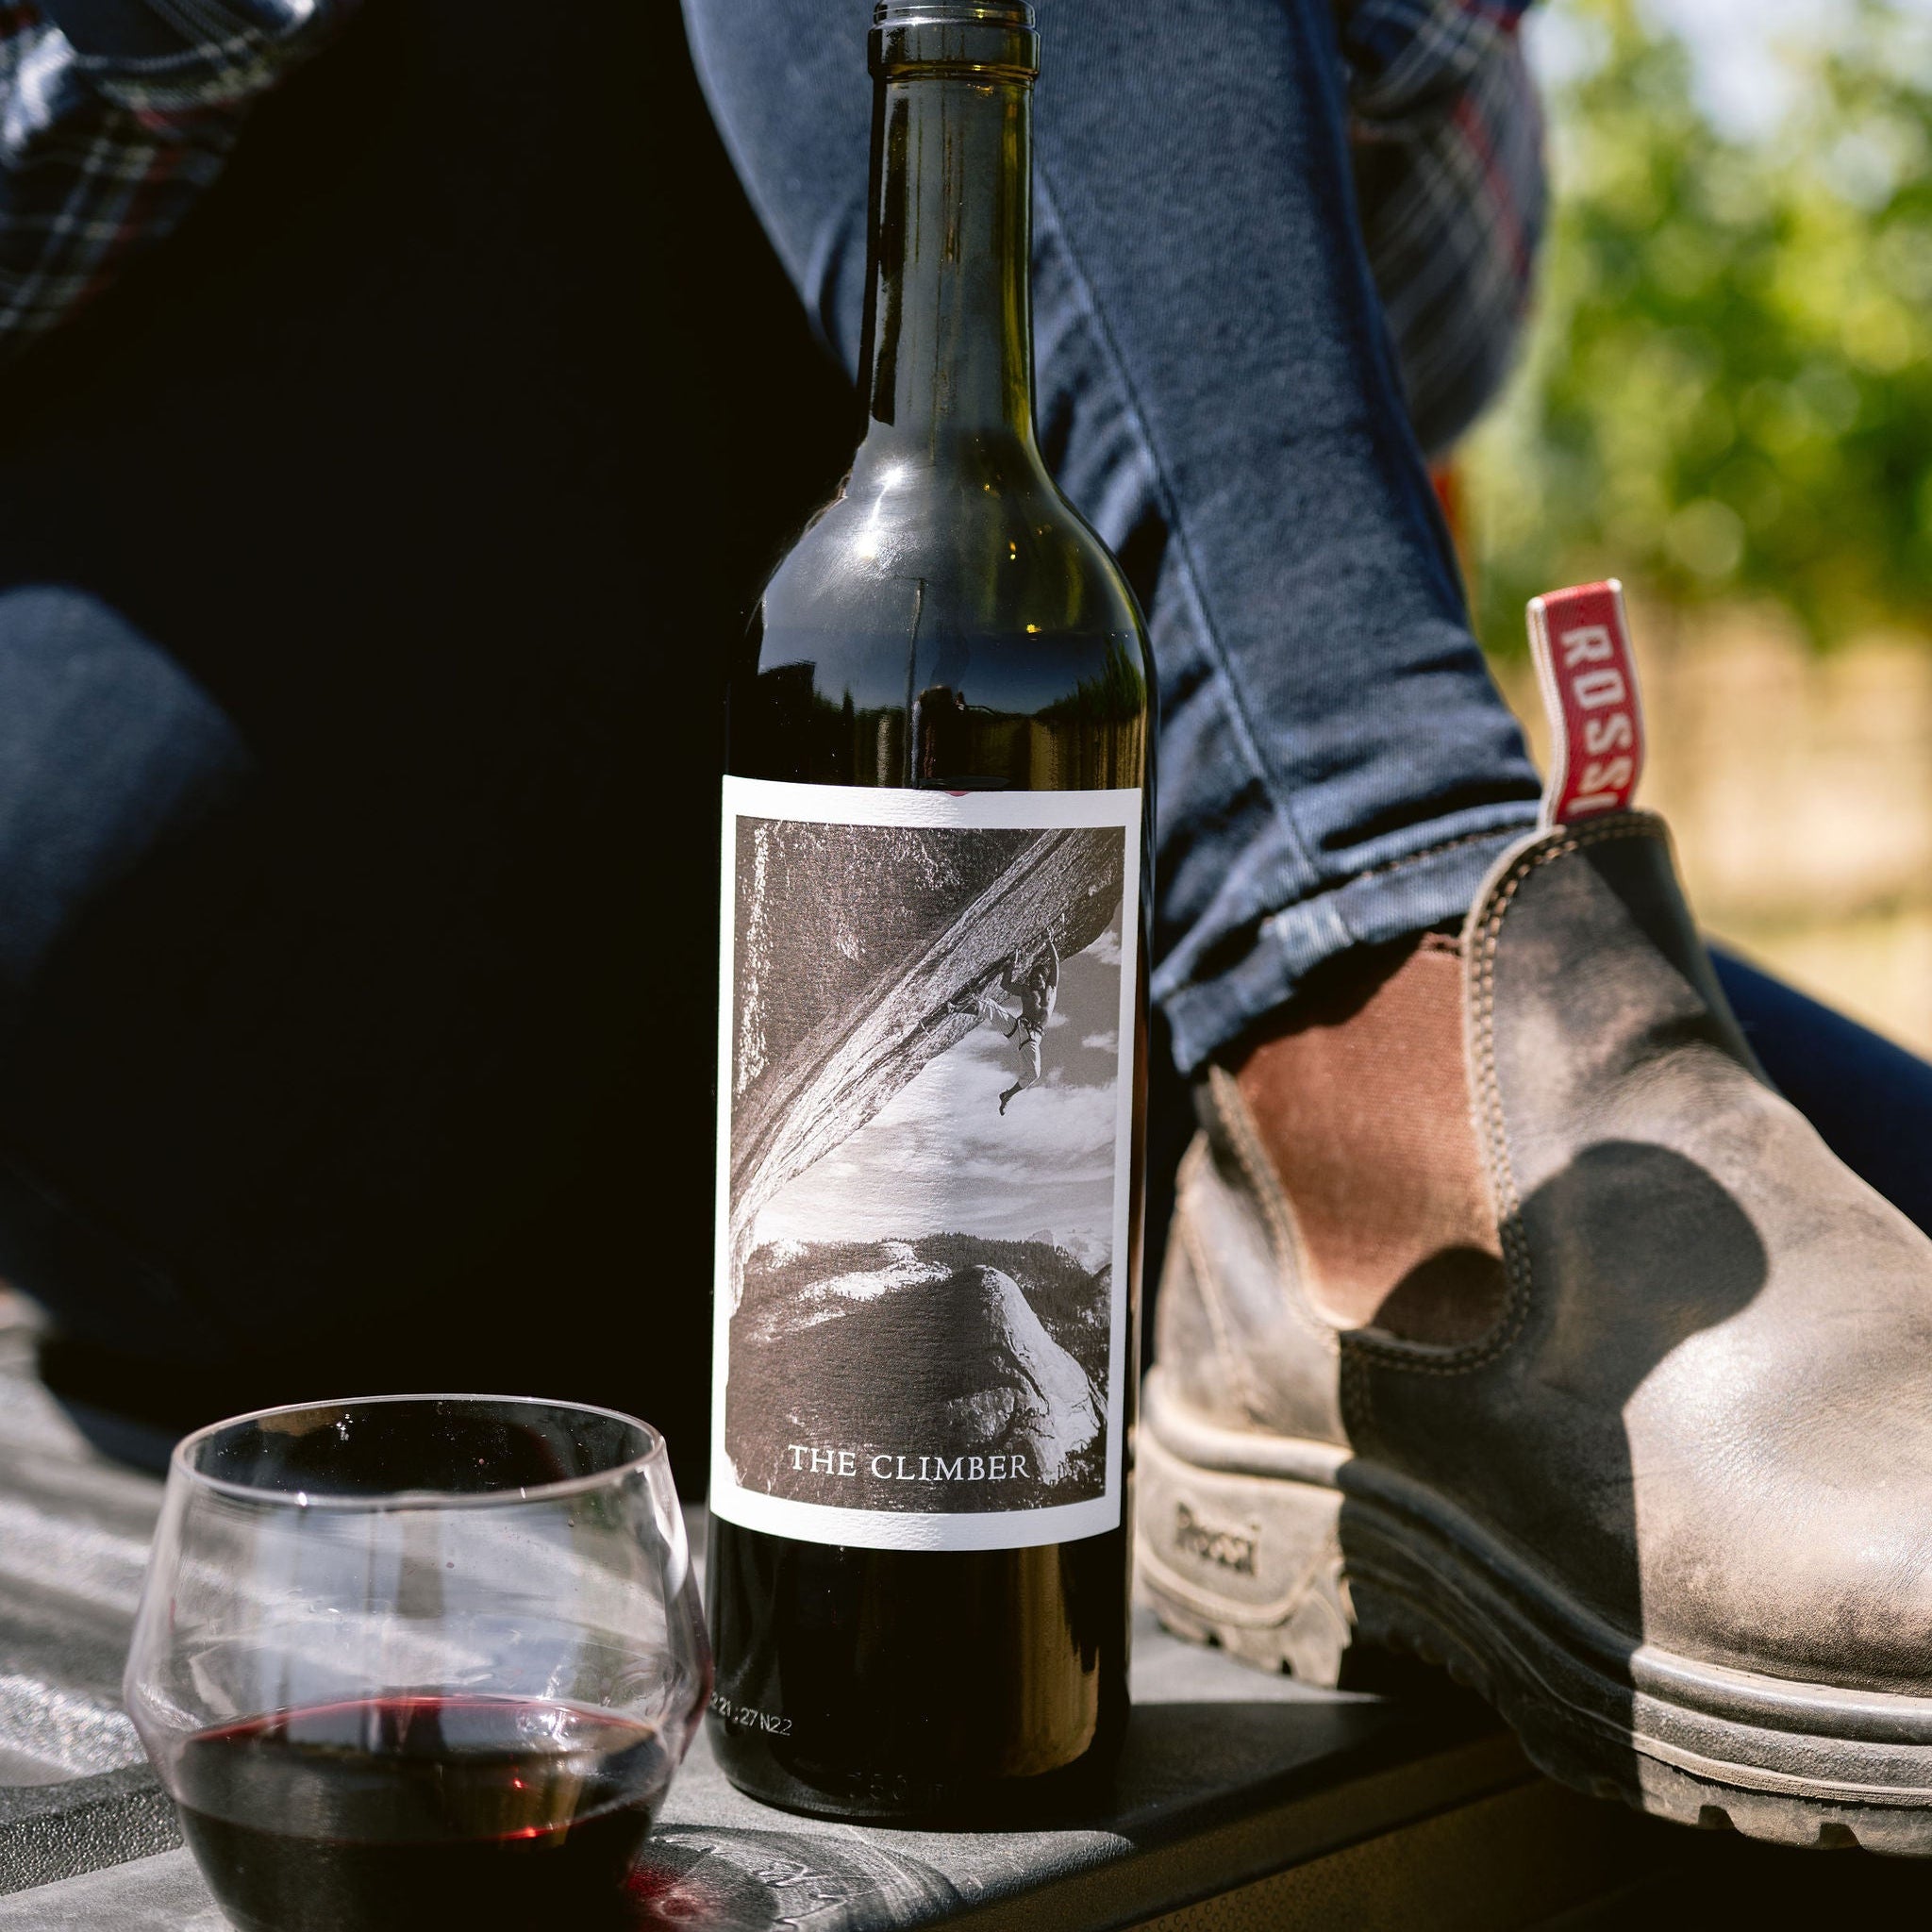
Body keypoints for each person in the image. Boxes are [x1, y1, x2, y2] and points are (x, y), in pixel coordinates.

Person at [6, 0, 1932, 1847]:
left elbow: (1426, 308)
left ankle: (1368, 1030)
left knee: (1861, 1274)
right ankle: (1367, 947)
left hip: (948, 912)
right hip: (249, 896)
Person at [991, 932, 1058, 1117]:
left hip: (1034, 1037)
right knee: (1035, 1074)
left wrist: (1049, 943)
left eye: (1039, 978)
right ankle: (1008, 1096)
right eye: (1033, 977)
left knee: (1033, 1074)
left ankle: (1007, 1095)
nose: (1036, 980)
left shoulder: (1050, 992)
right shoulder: (1026, 991)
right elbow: (1005, 985)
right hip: (1022, 1030)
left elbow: (1055, 965)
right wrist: (1009, 968)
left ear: (1045, 980)